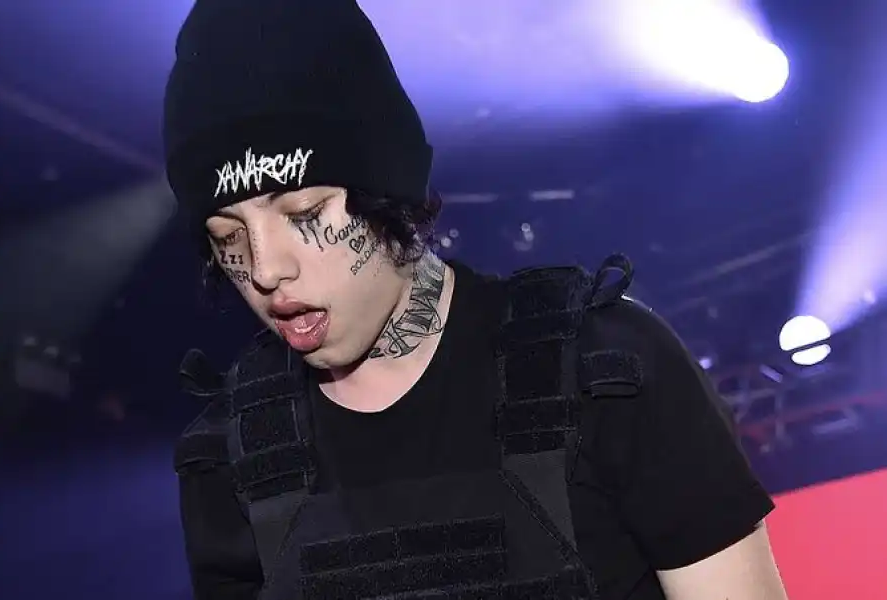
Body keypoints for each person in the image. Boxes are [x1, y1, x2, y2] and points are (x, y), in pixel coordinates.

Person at [163, 1, 789, 599]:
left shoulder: (606, 373)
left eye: (304, 213)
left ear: (386, 188)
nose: (266, 269)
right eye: (227, 236)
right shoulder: (230, 451)